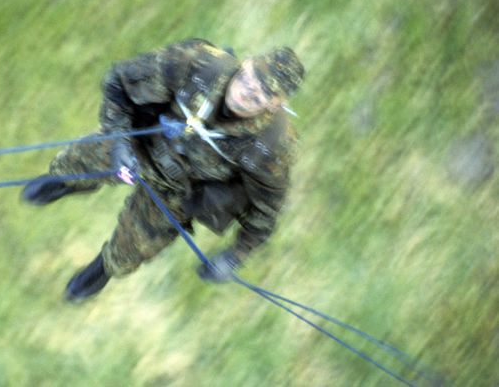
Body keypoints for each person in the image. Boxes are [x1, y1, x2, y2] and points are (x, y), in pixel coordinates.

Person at [22, 38, 305, 302]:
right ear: (247, 63)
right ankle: (62, 182)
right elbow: (119, 80)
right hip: (140, 144)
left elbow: (266, 210)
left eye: (264, 92)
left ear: (277, 103)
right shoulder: (197, 64)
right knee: (81, 160)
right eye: (251, 77)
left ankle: (103, 268)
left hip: (181, 191)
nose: (248, 91)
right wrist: (119, 143)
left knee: (134, 245)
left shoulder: (274, 145)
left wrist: (234, 256)